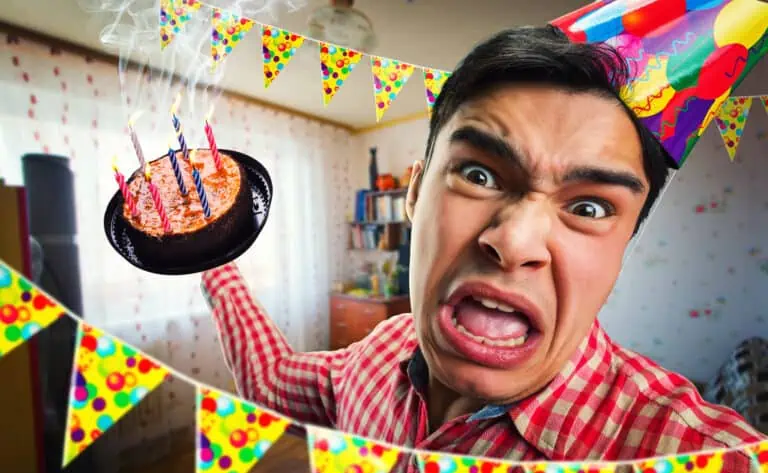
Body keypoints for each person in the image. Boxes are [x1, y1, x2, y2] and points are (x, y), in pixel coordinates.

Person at [202, 25, 765, 472]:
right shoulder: (379, 351)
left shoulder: (692, 452)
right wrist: (205, 245)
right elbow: (274, 382)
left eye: (589, 208)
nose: (515, 242)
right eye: (478, 174)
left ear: (625, 246)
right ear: (416, 193)